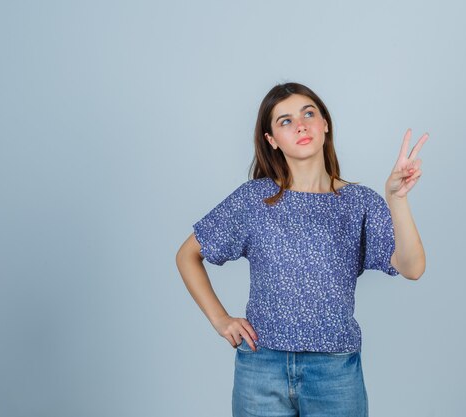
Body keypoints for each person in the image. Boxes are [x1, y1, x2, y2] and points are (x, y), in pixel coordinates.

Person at [175, 82, 427, 417]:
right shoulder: (255, 199)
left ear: (325, 124)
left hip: (335, 371)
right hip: (261, 367)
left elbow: (412, 267)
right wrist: (220, 319)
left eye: (308, 113)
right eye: (285, 121)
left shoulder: (359, 202)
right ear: (272, 141)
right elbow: (187, 255)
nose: (301, 125)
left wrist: (397, 199)